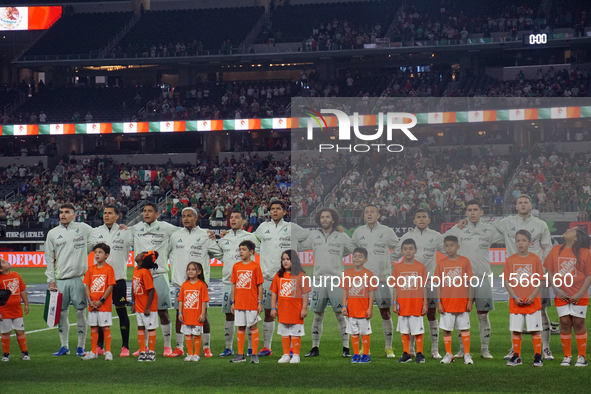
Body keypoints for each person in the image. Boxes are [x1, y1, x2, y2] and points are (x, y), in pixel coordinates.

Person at [458, 195, 554, 360]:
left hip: (534, 274)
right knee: (515, 311)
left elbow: (549, 248)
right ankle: (514, 349)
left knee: (541, 310)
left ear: (531, 206)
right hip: (515, 274)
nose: (523, 205)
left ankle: (545, 348)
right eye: (520, 202)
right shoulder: (506, 222)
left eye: (526, 202)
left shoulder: (540, 225)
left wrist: (542, 269)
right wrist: (465, 222)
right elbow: (483, 226)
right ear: (516, 206)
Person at [443, 200, 503, 359]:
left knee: (483, 315)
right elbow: (442, 243)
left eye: (475, 209)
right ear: (466, 213)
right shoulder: (459, 229)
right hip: (462, 281)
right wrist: (456, 226)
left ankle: (485, 349)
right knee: (461, 315)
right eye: (469, 210)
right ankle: (462, 350)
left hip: (482, 278)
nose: (472, 212)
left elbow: (509, 237)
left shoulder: (489, 229)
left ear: (481, 212)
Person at [254, 200, 309, 357]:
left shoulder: (292, 228)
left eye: (278, 209)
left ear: (285, 212)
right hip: (268, 276)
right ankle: (267, 347)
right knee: (268, 312)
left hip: (289, 277)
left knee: (291, 312)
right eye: (272, 209)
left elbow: (309, 237)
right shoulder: (263, 228)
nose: (275, 211)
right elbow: (254, 243)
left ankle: (292, 348)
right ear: (269, 212)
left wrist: (298, 247)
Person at [299, 208, 355, 358]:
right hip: (318, 281)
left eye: (327, 217)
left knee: (340, 315)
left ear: (333, 219)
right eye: (322, 217)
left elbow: (354, 249)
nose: (324, 219)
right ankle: (315, 348)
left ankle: (346, 349)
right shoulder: (314, 236)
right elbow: (299, 246)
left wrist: (344, 236)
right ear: (319, 219)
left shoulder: (341, 236)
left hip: (337, 281)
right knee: (317, 315)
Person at [168, 207, 222, 358]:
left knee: (203, 316)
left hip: (199, 285)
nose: (185, 218)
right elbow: (165, 252)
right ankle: (179, 347)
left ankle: (206, 347)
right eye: (183, 216)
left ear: (196, 218)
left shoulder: (205, 235)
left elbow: (219, 253)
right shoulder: (175, 236)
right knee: (180, 316)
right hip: (180, 283)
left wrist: (218, 239)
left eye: (189, 216)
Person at [392, 209, 445, 359]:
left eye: (424, 217)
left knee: (431, 314)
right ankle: (410, 350)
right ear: (414, 221)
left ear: (429, 220)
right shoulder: (407, 236)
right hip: (409, 286)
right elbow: (395, 254)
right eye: (418, 217)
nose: (421, 219)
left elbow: (449, 251)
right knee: (410, 314)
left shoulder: (436, 236)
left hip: (429, 283)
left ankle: (434, 349)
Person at [129, 202, 178, 357]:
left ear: (157, 214)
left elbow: (184, 231)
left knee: (163, 312)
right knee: (141, 313)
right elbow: (121, 233)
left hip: (159, 275)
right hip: (141, 276)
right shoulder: (136, 228)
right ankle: (142, 348)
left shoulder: (166, 227)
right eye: (144, 211)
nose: (146, 213)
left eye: (150, 211)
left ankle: (167, 346)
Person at [45, 203, 93, 357]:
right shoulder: (52, 233)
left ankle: (81, 346)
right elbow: (49, 258)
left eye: (66, 212)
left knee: (80, 312)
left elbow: (100, 235)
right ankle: (64, 346)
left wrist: (121, 227)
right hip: (61, 280)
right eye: (61, 212)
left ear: (74, 214)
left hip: (79, 279)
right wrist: (51, 279)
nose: (63, 215)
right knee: (62, 313)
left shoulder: (84, 228)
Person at [352, 205, 399, 358]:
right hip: (362, 281)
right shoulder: (358, 232)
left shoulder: (387, 232)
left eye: (372, 212)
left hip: (382, 279)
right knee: (361, 315)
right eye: (366, 212)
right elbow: (353, 250)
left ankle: (388, 347)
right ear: (363, 215)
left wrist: (388, 260)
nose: (369, 214)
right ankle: (364, 348)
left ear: (378, 215)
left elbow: (398, 247)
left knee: (385, 313)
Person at [88, 205, 133, 357]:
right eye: (104, 213)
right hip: (100, 281)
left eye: (109, 213)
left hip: (119, 279)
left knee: (121, 312)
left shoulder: (125, 232)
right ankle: (99, 345)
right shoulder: (95, 232)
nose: (106, 215)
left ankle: (125, 346)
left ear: (117, 216)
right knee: (100, 312)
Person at [543, 227, 591, 367]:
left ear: (576, 238)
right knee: (564, 322)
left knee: (578, 323)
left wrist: (579, 294)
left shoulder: (586, 253)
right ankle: (567, 356)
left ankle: (582, 357)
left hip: (579, 294)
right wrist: (556, 290)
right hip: (561, 295)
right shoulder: (556, 249)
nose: (568, 230)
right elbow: (549, 272)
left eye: (572, 230)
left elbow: (589, 275)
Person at [217, 212, 260, 357]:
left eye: (237, 217)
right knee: (229, 314)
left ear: (244, 221)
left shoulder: (251, 237)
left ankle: (249, 348)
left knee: (249, 315)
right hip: (229, 282)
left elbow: (262, 252)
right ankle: (228, 347)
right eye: (231, 218)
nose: (233, 219)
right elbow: (219, 254)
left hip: (247, 284)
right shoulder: (224, 238)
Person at [502, 230, 544, 367]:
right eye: (518, 240)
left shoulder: (535, 259)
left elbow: (540, 280)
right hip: (516, 302)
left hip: (533, 301)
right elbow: (507, 281)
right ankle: (516, 356)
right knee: (516, 330)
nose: (520, 243)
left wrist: (532, 296)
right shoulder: (511, 260)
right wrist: (514, 296)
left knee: (535, 330)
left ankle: (538, 356)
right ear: (515, 243)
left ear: (530, 243)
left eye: (524, 240)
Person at [435, 236, 474, 365]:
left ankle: (467, 354)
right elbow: (438, 284)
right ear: (444, 247)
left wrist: (470, 300)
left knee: (464, 329)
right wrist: (438, 302)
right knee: (447, 329)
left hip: (462, 302)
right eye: (446, 246)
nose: (449, 248)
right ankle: (448, 354)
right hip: (446, 303)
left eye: (452, 245)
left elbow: (469, 283)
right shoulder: (441, 263)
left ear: (458, 247)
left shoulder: (464, 261)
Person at [270, 250, 310, 364]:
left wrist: (304, 308)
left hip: (296, 311)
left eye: (288, 259)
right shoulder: (278, 275)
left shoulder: (301, 275)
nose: (285, 262)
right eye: (283, 259)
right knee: (285, 333)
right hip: (283, 310)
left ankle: (296, 355)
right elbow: (274, 293)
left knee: (295, 333)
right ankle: (286, 355)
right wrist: (273, 308)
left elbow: (305, 293)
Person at [393, 238, 428, 363]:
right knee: (404, 330)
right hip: (403, 305)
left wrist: (425, 303)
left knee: (417, 330)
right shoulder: (398, 268)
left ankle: (419, 353)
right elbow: (395, 286)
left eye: (411, 249)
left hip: (416, 305)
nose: (408, 251)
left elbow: (424, 286)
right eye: (405, 249)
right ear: (401, 251)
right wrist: (394, 302)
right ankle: (406, 354)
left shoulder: (420, 267)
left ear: (415, 250)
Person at [230, 240, 264, 364]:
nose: (241, 252)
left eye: (244, 249)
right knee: (241, 327)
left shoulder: (255, 266)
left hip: (251, 303)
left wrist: (260, 302)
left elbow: (260, 285)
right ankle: (240, 354)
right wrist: (232, 302)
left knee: (253, 326)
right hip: (239, 303)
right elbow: (233, 285)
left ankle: (254, 354)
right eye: (240, 249)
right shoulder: (236, 266)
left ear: (251, 252)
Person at [81, 243, 116, 361]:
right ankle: (94, 352)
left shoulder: (109, 269)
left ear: (107, 255)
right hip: (92, 304)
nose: (97, 254)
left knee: (105, 327)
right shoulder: (90, 269)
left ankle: (108, 352)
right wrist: (90, 301)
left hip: (103, 305)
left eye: (100, 252)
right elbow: (87, 286)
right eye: (95, 252)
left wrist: (102, 301)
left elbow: (110, 286)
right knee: (93, 328)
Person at [341, 247, 376, 364]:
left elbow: (371, 292)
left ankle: (366, 355)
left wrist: (370, 308)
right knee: (354, 333)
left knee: (365, 333)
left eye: (360, 256)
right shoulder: (347, 273)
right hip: (351, 310)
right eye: (355, 256)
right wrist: (344, 305)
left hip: (363, 310)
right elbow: (345, 291)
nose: (357, 258)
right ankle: (356, 355)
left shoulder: (369, 274)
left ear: (365, 260)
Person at [178, 262, 209, 362]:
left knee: (196, 334)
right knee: (187, 334)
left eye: (193, 269)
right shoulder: (184, 285)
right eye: (189, 269)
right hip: (186, 315)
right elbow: (181, 300)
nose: (190, 271)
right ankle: (190, 354)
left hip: (196, 315)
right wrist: (180, 313)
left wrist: (203, 313)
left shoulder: (202, 285)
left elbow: (204, 301)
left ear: (199, 272)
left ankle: (196, 354)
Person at [0, 257, 30, 362]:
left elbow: (22, 290)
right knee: (6, 332)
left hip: (17, 310)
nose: (7, 261)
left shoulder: (16, 275)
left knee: (20, 330)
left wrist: (26, 304)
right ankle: (6, 353)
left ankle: (24, 352)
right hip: (4, 311)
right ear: (0, 269)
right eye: (3, 262)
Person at [132, 251, 159, 362]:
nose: (137, 254)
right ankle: (143, 352)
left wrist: (148, 307)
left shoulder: (145, 272)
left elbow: (151, 290)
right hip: (139, 305)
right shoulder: (135, 270)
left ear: (142, 261)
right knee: (140, 327)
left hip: (148, 306)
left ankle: (151, 353)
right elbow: (133, 288)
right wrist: (133, 303)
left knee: (150, 327)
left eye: (140, 254)